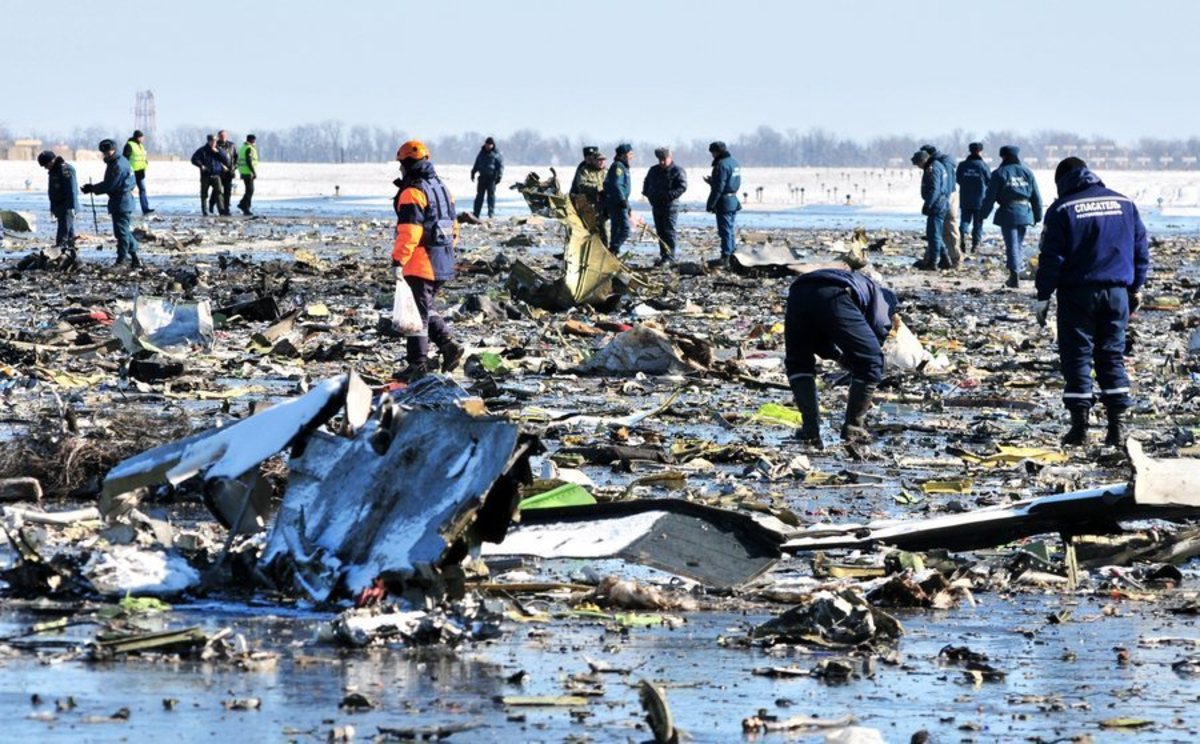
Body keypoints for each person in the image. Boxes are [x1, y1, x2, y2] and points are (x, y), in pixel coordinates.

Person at [1034, 157, 1150, 447]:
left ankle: (1080, 428)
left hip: (1078, 294)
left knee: (1077, 356)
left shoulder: (1061, 209)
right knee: (1111, 354)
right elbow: (1140, 249)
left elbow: (1052, 257)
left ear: (1062, 180)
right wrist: (1136, 287)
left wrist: (1043, 295)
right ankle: (1116, 427)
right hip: (1117, 293)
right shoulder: (1125, 204)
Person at [785, 268, 900, 446]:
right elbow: (877, 333)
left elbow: (816, 341)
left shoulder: (859, 286)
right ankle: (854, 428)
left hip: (798, 292)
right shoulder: (885, 299)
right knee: (873, 361)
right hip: (835, 293)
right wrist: (863, 357)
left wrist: (838, 356)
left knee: (798, 361)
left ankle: (810, 429)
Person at [391, 140, 465, 381]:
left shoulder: (413, 192)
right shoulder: (442, 188)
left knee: (416, 317)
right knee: (427, 308)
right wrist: (445, 253)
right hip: (442, 260)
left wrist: (398, 261)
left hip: (420, 263)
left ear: (406, 164)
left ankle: (418, 365)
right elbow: (454, 227)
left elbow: (409, 231)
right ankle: (447, 345)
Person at [980, 145, 1042, 288]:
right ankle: (1016, 271)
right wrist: (1038, 215)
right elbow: (1036, 197)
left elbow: (990, 197)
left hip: (1008, 212)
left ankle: (1014, 275)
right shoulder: (1027, 172)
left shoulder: (999, 173)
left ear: (1003, 156)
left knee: (1012, 244)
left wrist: (982, 215)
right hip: (1025, 212)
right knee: (1018, 244)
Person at [80, 139, 140, 267]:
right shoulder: (123, 161)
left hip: (121, 201)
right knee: (124, 230)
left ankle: (122, 259)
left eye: (107, 152)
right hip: (125, 200)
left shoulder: (117, 165)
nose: (106, 155)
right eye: (104, 153)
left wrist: (92, 188)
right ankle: (135, 257)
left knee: (121, 232)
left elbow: (110, 185)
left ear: (113, 150)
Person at [641, 147, 687, 265]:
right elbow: (646, 183)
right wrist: (648, 194)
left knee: (669, 232)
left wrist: (669, 196)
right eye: (659, 160)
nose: (661, 162)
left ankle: (670, 257)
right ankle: (664, 255)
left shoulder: (677, 171)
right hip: (656, 205)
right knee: (660, 232)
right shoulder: (654, 170)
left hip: (670, 206)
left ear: (670, 158)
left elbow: (682, 187)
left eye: (664, 159)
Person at [921, 144, 961, 266]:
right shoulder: (942, 161)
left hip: (945, 198)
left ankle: (953, 258)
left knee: (946, 228)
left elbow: (944, 185)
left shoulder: (939, 164)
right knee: (940, 230)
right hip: (947, 197)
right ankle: (941, 257)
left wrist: (941, 201)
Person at [704, 141, 741, 269]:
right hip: (733, 200)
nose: (712, 156)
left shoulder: (721, 165)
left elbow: (719, 187)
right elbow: (731, 182)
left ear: (716, 152)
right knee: (730, 229)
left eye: (713, 153)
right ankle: (732, 254)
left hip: (724, 202)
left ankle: (726, 257)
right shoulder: (734, 163)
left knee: (724, 230)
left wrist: (711, 203)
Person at [912, 150, 950, 270]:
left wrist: (928, 204)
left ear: (923, 161)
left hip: (937, 204)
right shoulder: (938, 165)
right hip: (941, 203)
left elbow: (935, 189)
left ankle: (933, 263)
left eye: (918, 164)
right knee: (936, 233)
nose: (918, 167)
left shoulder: (932, 168)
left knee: (933, 235)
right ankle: (945, 259)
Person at [37, 150, 79, 250]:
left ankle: (60, 251)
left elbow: (71, 190)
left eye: (46, 165)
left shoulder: (65, 170)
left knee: (63, 232)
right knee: (68, 231)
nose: (45, 168)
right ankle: (70, 252)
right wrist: (53, 208)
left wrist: (72, 207)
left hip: (66, 206)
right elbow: (53, 192)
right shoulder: (54, 171)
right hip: (59, 206)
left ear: (52, 161)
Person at [956, 142, 991, 252]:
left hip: (965, 197)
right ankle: (975, 244)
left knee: (964, 220)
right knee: (978, 223)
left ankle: (962, 234)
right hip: (979, 199)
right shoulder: (983, 165)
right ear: (980, 151)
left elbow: (958, 179)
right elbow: (989, 180)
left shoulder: (962, 165)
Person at [570, 145, 608, 240]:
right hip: (584, 202)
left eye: (592, 157)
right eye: (588, 157)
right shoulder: (583, 169)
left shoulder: (605, 171)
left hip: (601, 204)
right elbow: (578, 185)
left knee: (602, 228)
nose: (590, 159)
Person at [604, 143, 634, 254]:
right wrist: (622, 200)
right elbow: (616, 185)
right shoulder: (618, 167)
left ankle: (613, 252)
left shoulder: (624, 167)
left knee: (616, 230)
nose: (631, 157)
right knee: (624, 229)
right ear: (622, 155)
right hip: (617, 203)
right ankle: (613, 249)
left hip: (620, 202)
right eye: (629, 154)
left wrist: (628, 206)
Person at [191, 134, 230, 216]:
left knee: (219, 193)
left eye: (215, 141)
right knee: (204, 193)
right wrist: (201, 165)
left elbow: (226, 160)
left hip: (216, 175)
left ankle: (221, 210)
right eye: (212, 141)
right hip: (206, 175)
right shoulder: (202, 150)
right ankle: (204, 210)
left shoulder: (219, 150)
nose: (213, 143)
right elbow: (194, 159)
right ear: (208, 141)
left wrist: (218, 152)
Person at [470, 136, 504, 219]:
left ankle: (491, 214)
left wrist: (499, 176)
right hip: (482, 178)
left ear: (493, 145)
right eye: (487, 144)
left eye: (490, 145)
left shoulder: (496, 154)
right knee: (479, 197)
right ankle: (476, 214)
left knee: (491, 197)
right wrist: (473, 172)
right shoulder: (481, 153)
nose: (488, 146)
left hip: (491, 178)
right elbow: (477, 163)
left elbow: (500, 166)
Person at [122, 130, 154, 215]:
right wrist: (127, 170)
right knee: (128, 190)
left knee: (143, 189)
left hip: (141, 172)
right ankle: (127, 207)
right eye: (141, 137)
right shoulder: (129, 145)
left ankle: (145, 208)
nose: (143, 139)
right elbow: (125, 159)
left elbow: (142, 157)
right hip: (132, 172)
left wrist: (146, 163)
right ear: (137, 137)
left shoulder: (140, 146)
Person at [211, 130, 238, 216]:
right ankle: (212, 203)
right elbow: (213, 159)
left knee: (227, 191)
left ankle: (226, 208)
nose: (223, 137)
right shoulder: (215, 145)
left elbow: (236, 158)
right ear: (218, 136)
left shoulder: (232, 145)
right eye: (221, 136)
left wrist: (234, 167)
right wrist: (221, 167)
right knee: (217, 191)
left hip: (229, 172)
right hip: (219, 172)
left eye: (224, 136)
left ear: (227, 136)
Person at [237, 134, 259, 216]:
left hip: (243, 171)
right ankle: (245, 207)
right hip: (248, 172)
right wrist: (253, 172)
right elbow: (249, 161)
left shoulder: (243, 147)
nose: (255, 142)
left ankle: (242, 204)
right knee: (250, 190)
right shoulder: (249, 148)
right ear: (252, 140)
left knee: (249, 190)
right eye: (254, 140)